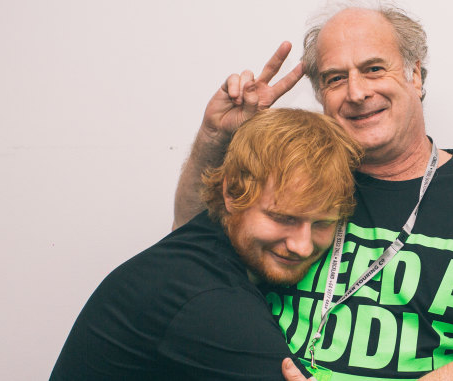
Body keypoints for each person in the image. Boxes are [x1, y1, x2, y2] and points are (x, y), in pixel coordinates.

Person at [172, 0, 453, 380]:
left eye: (374, 69)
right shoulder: (291, 173)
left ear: (415, 76)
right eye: (335, 78)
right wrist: (215, 137)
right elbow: (190, 251)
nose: (356, 93)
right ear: (321, 95)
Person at [49, 108, 363, 381]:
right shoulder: (210, 302)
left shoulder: (201, 243)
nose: (302, 246)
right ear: (232, 193)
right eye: (284, 218)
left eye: (322, 223)